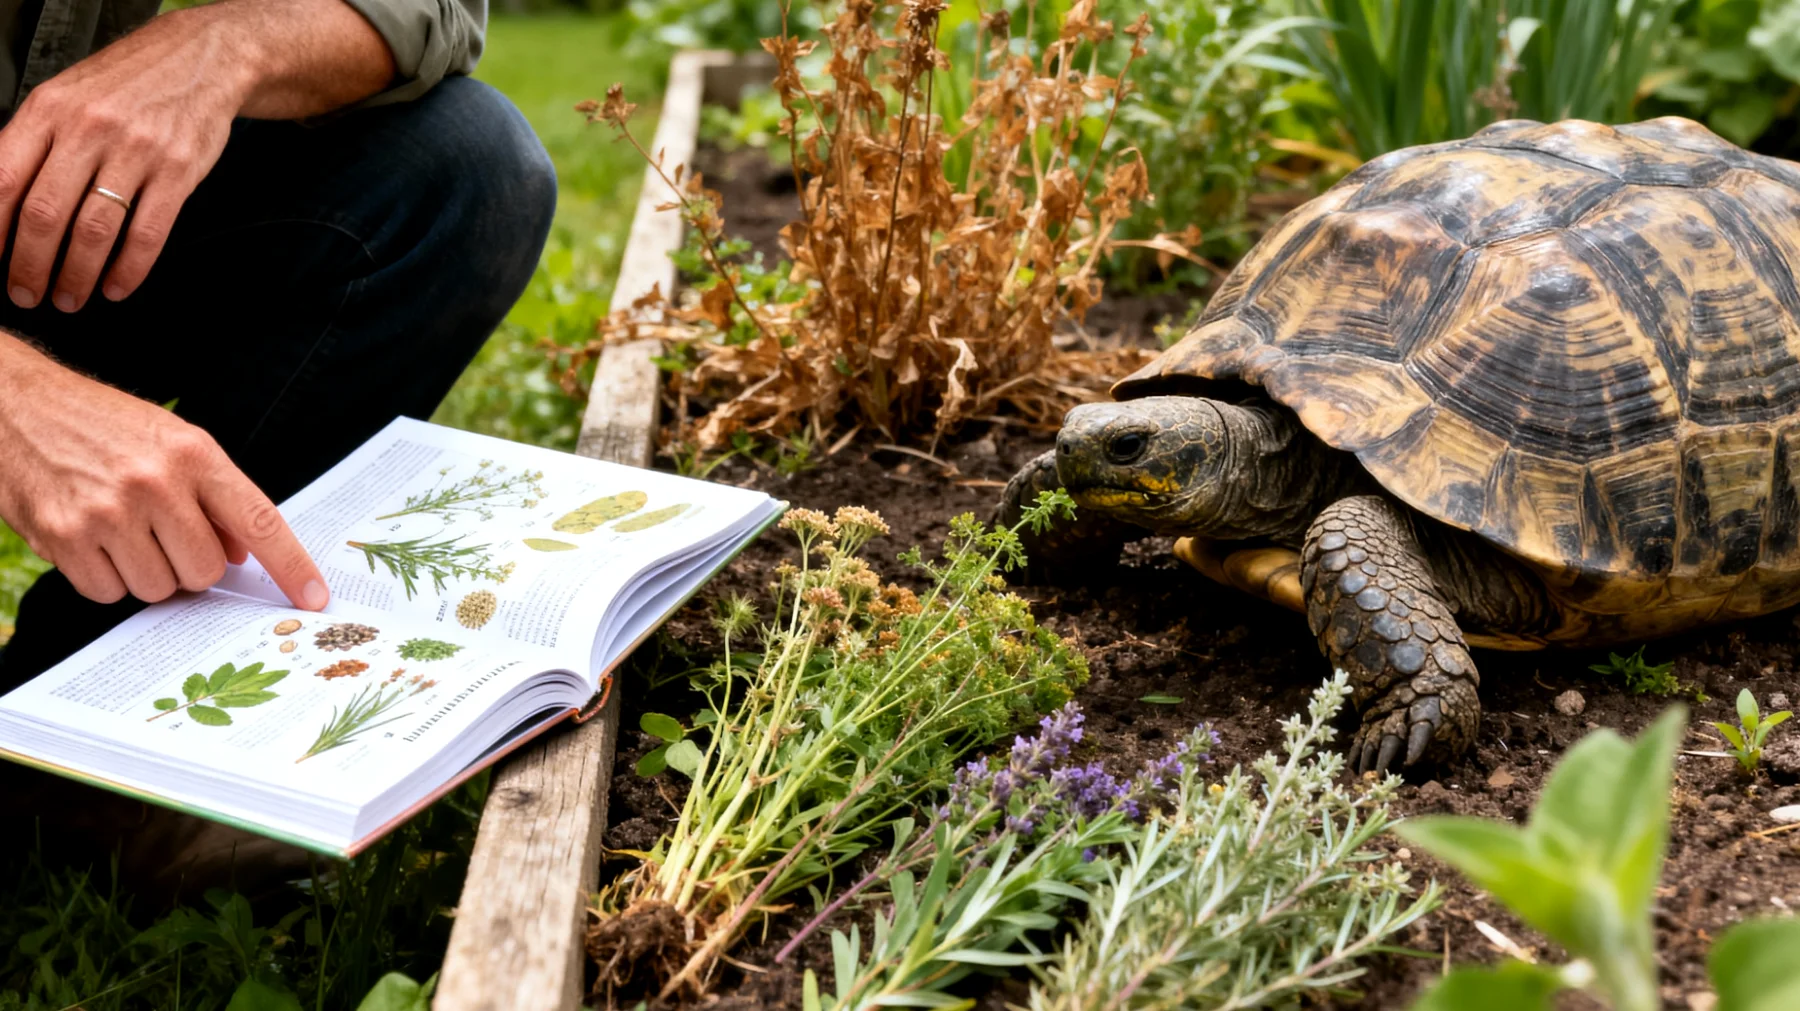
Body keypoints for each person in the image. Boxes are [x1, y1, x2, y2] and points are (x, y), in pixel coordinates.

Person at [0, 0, 557, 692]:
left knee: (465, 158)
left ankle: (88, 693)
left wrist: (220, 46)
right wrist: (17, 402)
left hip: (57, 235)